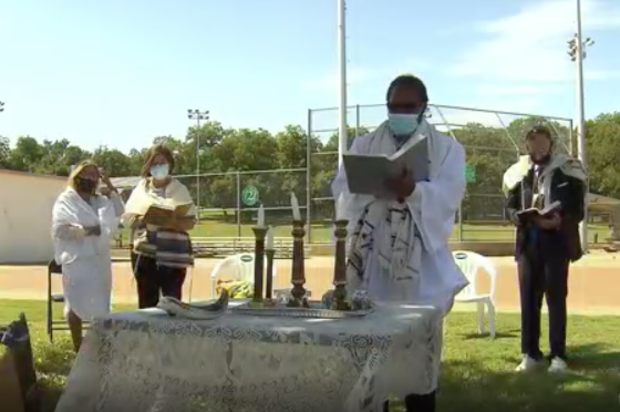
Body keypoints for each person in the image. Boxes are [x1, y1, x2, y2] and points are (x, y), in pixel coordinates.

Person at [331, 74, 468, 412]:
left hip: (419, 270)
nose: (400, 112)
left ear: (424, 107)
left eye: (408, 106)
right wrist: (373, 189)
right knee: (369, 364)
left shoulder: (448, 148)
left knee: (418, 362)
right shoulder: (364, 145)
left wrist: (414, 192)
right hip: (372, 264)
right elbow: (342, 191)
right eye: (394, 106)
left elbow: (449, 196)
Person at [503, 125, 587, 373]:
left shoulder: (567, 170)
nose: (537, 146)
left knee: (556, 299)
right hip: (529, 243)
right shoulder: (518, 173)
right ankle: (530, 353)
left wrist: (560, 219)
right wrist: (521, 216)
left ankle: (558, 355)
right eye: (532, 142)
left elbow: (578, 209)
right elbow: (508, 208)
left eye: (542, 141)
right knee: (529, 299)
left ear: (551, 144)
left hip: (557, 244)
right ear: (526, 146)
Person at [51, 160, 124, 352]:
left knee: (101, 304)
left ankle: (100, 347)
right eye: (87, 174)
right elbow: (60, 229)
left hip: (99, 261)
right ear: (77, 175)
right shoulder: (66, 200)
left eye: (95, 175)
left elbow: (120, 212)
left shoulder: (101, 201)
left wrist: (109, 185)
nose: (91, 178)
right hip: (76, 261)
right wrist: (89, 230)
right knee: (74, 303)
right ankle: (78, 347)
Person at [123, 144, 197, 309]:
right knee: (147, 304)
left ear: (170, 164)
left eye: (162, 162)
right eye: (154, 163)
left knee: (172, 303)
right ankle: (148, 335)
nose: (158, 166)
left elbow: (190, 221)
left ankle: (171, 334)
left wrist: (173, 222)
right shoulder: (140, 189)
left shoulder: (180, 189)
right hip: (145, 255)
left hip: (174, 256)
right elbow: (127, 218)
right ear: (148, 166)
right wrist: (143, 219)